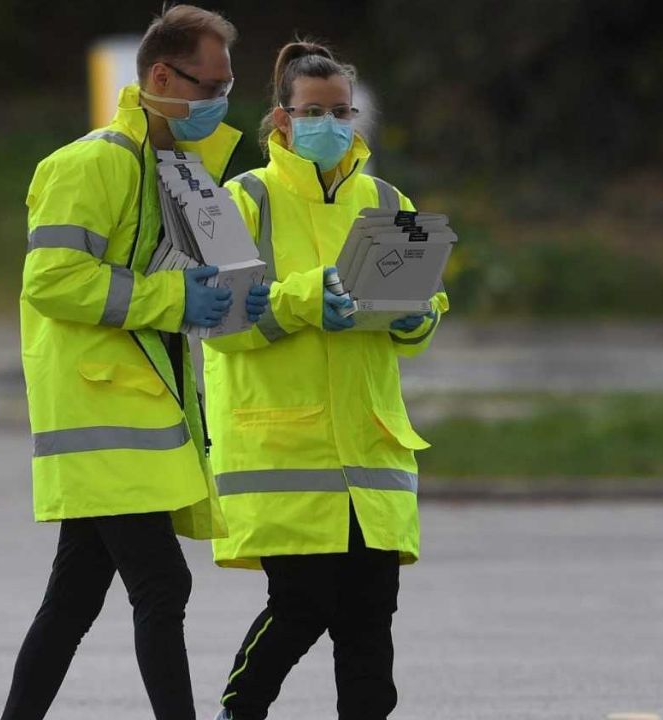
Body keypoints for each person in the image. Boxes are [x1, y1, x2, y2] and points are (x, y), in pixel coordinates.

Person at [5, 6, 247, 720]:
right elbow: (49, 278)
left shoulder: (176, 169)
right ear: (161, 76)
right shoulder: (90, 164)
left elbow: (194, 282)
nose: (221, 103)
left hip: (132, 409)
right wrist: (170, 298)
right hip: (99, 409)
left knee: (75, 598)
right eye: (209, 88)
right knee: (162, 585)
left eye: (228, 88)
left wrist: (240, 303)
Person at [202, 40, 449, 720]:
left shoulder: (389, 199)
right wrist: (307, 299)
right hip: (285, 452)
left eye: (343, 110)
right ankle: (236, 711)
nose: (332, 123)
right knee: (301, 607)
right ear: (282, 119)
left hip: (369, 453)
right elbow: (217, 320)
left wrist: (411, 317)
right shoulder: (239, 200)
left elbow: (424, 315)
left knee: (370, 622)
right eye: (316, 110)